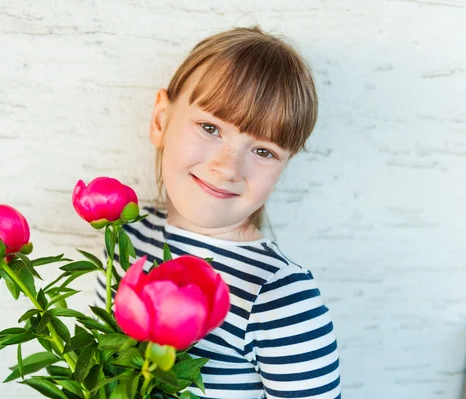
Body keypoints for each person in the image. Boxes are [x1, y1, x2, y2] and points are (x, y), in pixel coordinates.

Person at [95, 25, 341, 399]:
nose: (227, 167)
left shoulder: (280, 296)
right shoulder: (127, 235)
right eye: (210, 127)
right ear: (161, 120)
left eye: (263, 151)